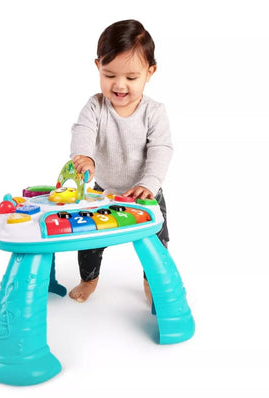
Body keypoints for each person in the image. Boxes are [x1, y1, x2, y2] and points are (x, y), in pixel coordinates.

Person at [69, 19, 172, 303]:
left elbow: (161, 149)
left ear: (150, 72)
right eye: (109, 74)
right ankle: (88, 280)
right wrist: (84, 156)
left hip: (145, 193)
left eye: (131, 77)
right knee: (90, 241)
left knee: (157, 243)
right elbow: (83, 132)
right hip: (104, 191)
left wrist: (149, 184)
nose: (119, 85)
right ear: (98, 67)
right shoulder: (95, 106)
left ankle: (153, 284)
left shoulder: (154, 112)